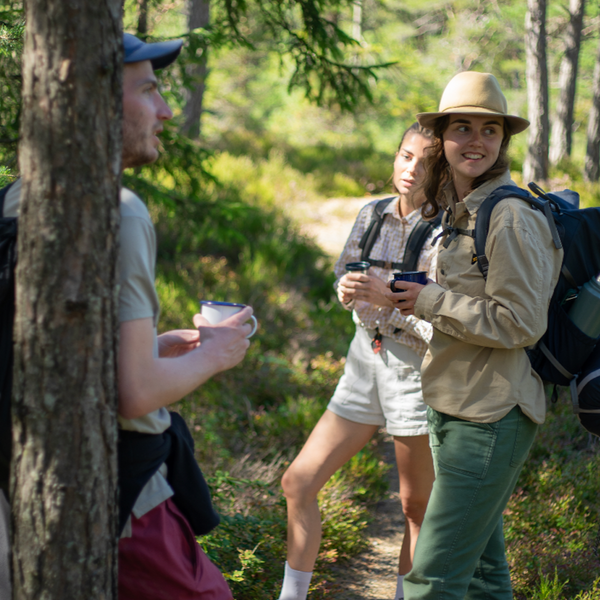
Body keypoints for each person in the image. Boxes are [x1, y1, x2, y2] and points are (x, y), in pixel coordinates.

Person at [1, 33, 254, 599]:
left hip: (30, 481)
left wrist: (147, 345)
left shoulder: (17, 196)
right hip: (123, 496)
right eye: (149, 91)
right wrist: (218, 353)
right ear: (94, 102)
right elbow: (136, 395)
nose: (165, 110)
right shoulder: (120, 210)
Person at [385, 72, 563, 600]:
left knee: (430, 582)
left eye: (490, 130)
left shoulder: (508, 214)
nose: (477, 141)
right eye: (462, 128)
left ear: (502, 142)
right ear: (440, 138)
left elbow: (521, 322)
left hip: (490, 417)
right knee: (484, 577)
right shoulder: (465, 211)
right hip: (455, 405)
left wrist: (429, 299)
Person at [278, 123, 439, 600]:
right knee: (298, 482)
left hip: (414, 370)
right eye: (405, 156)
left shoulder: (446, 232)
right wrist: (346, 290)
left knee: (416, 508)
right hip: (362, 360)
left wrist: (390, 303)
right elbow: (343, 274)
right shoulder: (370, 213)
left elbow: (447, 328)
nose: (411, 170)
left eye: (426, 162)